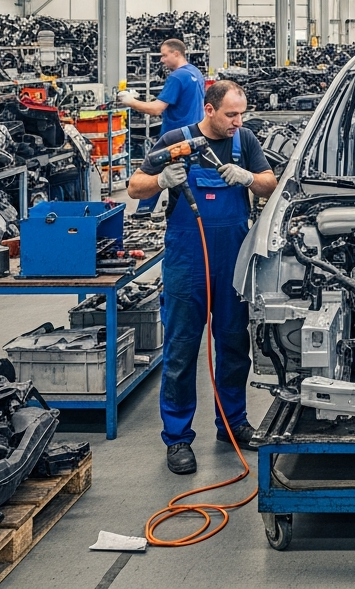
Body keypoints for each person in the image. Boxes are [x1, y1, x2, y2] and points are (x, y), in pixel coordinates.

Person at [127, 81, 278, 475]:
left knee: (233, 343)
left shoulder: (245, 140)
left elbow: (270, 183)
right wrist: (161, 181)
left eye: (240, 113)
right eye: (230, 114)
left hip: (231, 259)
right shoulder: (177, 138)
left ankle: (232, 423)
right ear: (209, 111)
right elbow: (133, 187)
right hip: (187, 261)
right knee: (180, 350)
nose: (237, 121)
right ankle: (177, 438)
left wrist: (246, 177)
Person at [120, 39, 206, 213]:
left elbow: (157, 109)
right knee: (182, 179)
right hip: (195, 135)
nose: (161, 60)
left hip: (173, 138)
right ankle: (175, 212)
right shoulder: (195, 73)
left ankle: (143, 213)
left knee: (150, 173)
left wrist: (130, 101)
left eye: (164, 55)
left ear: (176, 53)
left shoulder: (177, 77)